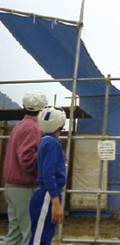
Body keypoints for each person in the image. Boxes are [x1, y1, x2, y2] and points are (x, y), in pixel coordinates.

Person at [3, 91, 47, 245]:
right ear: (42, 109)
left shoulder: (19, 126)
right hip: (25, 187)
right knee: (30, 234)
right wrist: (48, 159)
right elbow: (28, 160)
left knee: (14, 234)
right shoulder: (33, 128)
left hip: (12, 186)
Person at [28, 106, 67, 245]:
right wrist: (55, 202)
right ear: (61, 125)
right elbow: (48, 173)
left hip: (48, 194)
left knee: (44, 237)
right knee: (39, 240)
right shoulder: (52, 143)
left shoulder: (47, 141)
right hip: (48, 195)